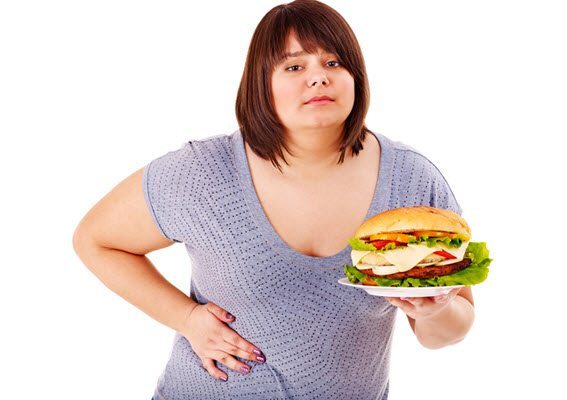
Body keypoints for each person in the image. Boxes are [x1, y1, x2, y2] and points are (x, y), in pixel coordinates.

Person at [72, 0, 475, 398]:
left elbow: (447, 332)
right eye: (294, 66)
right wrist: (187, 317)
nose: (318, 78)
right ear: (261, 84)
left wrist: (436, 308)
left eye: (333, 62)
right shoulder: (201, 173)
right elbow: (96, 240)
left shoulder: (411, 181)